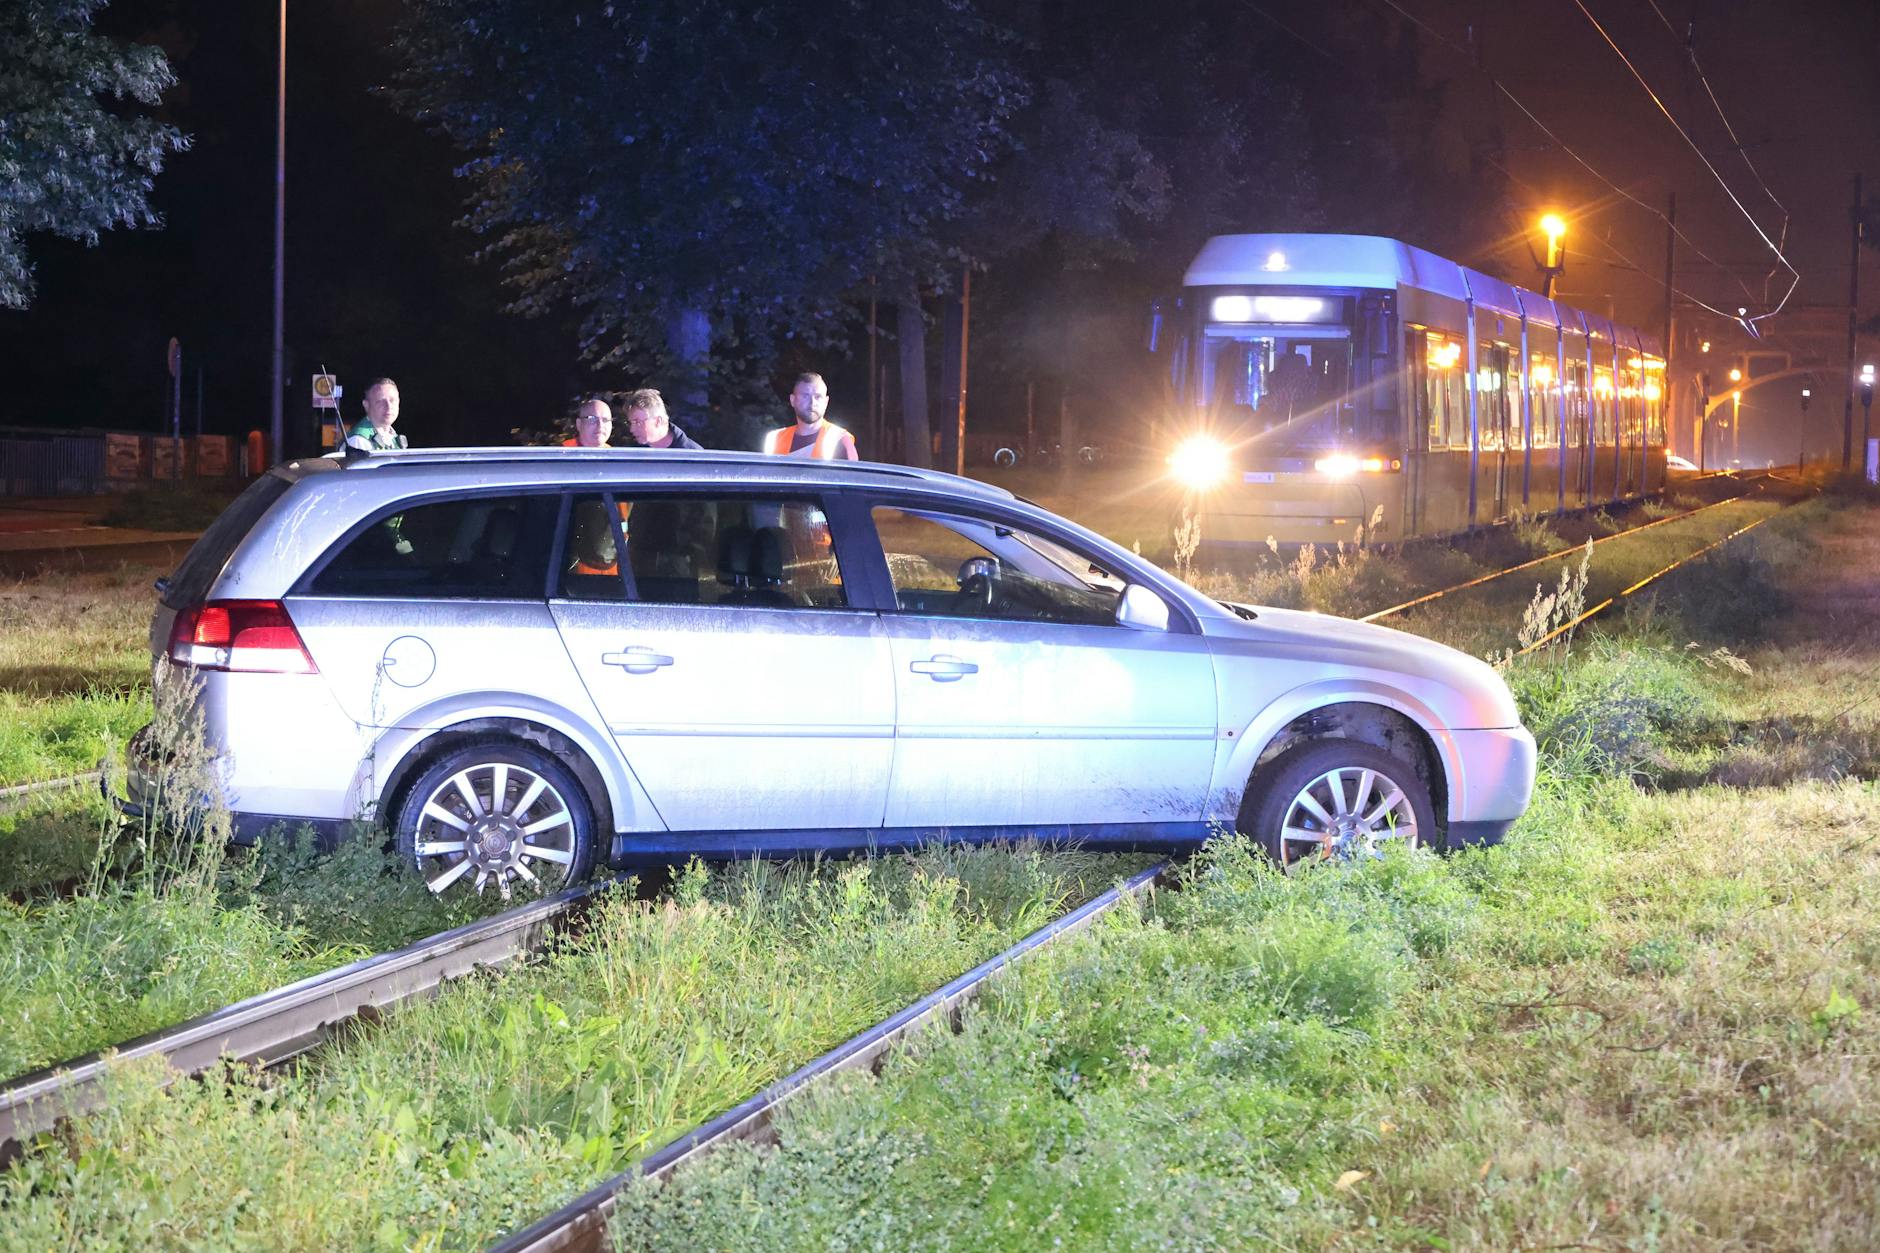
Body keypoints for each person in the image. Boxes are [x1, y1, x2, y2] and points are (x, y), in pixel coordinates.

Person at [762, 372, 857, 459]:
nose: (812, 403)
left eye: (818, 397)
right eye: (805, 396)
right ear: (792, 400)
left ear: (826, 402)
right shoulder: (775, 439)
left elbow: (853, 477)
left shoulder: (840, 439)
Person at [622, 388, 703, 449]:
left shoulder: (694, 457)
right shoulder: (632, 454)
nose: (632, 429)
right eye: (630, 423)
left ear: (658, 421)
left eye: (637, 422)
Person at [346, 378, 407, 452]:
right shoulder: (359, 440)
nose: (389, 406)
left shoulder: (393, 437)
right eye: (381, 401)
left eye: (392, 400)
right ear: (366, 405)